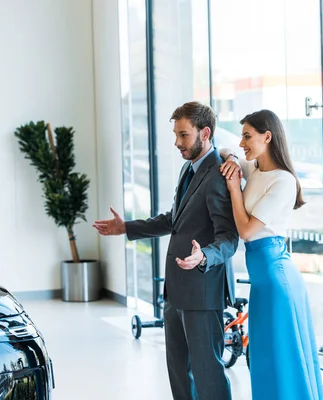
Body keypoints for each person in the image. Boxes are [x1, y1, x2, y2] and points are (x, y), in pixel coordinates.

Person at [93, 101, 238, 400]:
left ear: (205, 133)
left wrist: (204, 256)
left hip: (202, 291)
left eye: (183, 135)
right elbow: (175, 219)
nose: (177, 143)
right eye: (176, 135)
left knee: (207, 375)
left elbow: (229, 238)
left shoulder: (218, 175)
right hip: (176, 290)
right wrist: (127, 228)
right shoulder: (189, 169)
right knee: (179, 373)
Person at [219, 109, 323, 399]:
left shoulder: (283, 180)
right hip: (262, 281)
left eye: (248, 136)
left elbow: (247, 231)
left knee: (283, 360)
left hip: (277, 279)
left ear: (268, 136)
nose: (242, 143)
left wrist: (233, 190)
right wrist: (230, 158)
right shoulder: (255, 170)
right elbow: (225, 148)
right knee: (264, 358)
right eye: (242, 135)